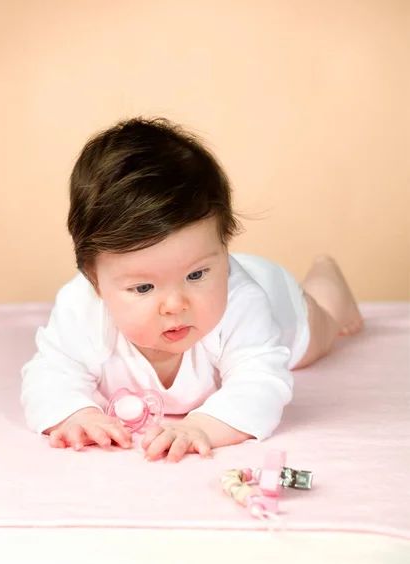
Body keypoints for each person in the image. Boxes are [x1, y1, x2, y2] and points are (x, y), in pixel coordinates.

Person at [21, 117, 363, 462]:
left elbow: (261, 382)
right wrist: (75, 413)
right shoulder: (81, 308)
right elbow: (49, 374)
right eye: (143, 287)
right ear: (94, 281)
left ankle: (327, 274)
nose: (174, 304)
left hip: (280, 302)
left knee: (322, 327)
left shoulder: (243, 303)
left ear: (224, 248)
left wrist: (202, 426)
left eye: (197, 275)